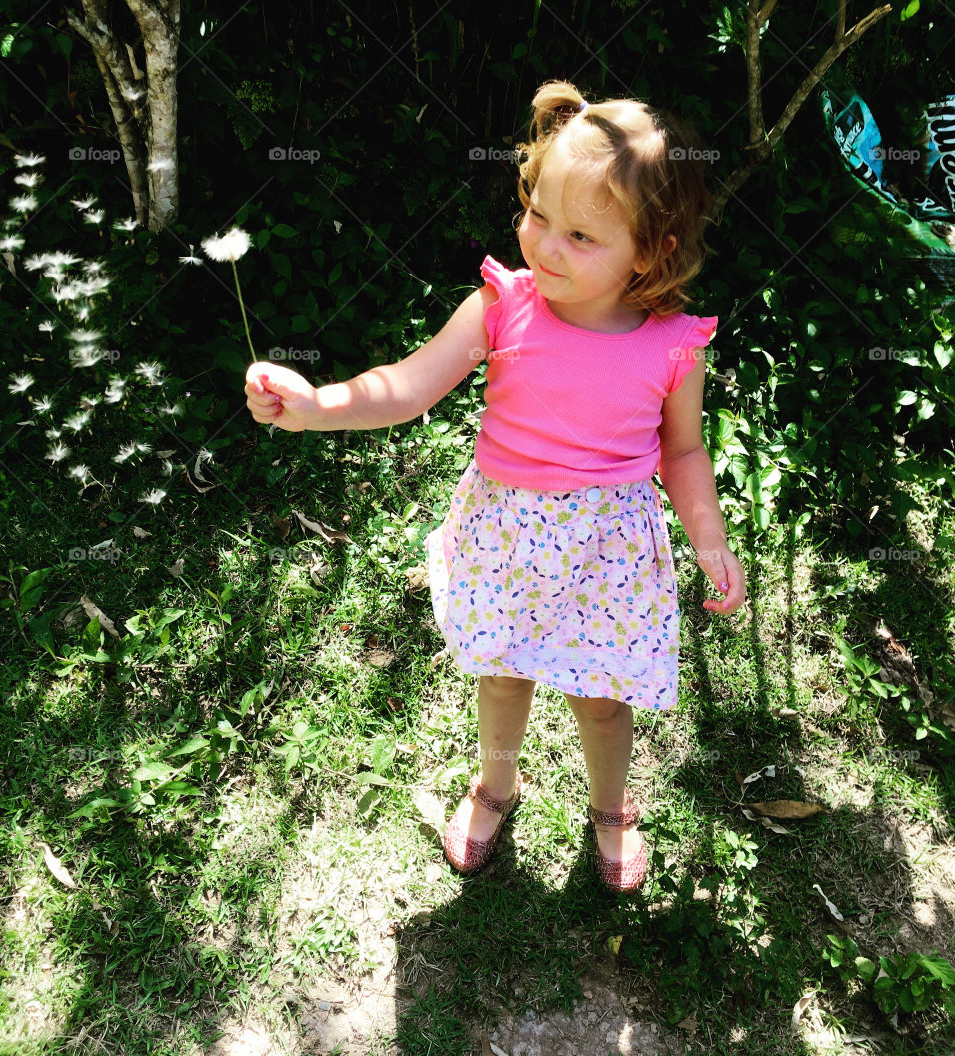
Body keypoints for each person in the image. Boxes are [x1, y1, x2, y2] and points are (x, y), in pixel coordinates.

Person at [244, 79, 746, 894]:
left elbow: (682, 453)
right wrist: (313, 406)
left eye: (580, 235)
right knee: (503, 676)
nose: (545, 245)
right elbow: (406, 387)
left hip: (606, 557)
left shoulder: (671, 346)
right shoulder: (500, 307)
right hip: (507, 539)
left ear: (649, 251)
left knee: (602, 700)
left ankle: (612, 807)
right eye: (538, 214)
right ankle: (497, 783)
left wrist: (709, 538)